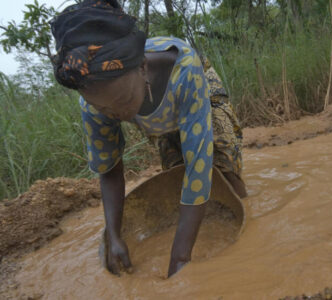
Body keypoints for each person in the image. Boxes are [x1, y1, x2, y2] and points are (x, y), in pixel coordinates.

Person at [50, 0, 247, 277]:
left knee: (223, 160)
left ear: (142, 67)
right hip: (162, 116)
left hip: (199, 92)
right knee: (176, 171)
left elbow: (199, 166)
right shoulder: (95, 103)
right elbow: (109, 169)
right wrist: (115, 237)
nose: (117, 114)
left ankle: (247, 208)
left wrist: (180, 258)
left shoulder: (185, 70)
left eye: (122, 101)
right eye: (105, 109)